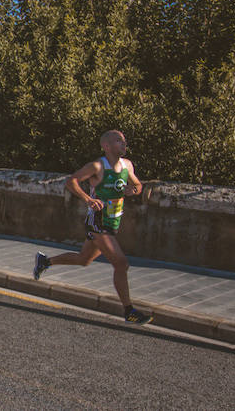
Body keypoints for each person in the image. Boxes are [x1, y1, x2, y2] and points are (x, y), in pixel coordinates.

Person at [33, 130, 153, 325]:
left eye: (124, 140)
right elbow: (71, 181)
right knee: (121, 263)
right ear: (106, 146)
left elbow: (138, 185)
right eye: (118, 140)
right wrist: (88, 199)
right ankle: (129, 311)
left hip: (113, 221)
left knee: (84, 260)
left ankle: (45, 262)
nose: (123, 143)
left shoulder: (126, 165)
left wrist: (133, 190)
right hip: (97, 222)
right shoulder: (97, 166)